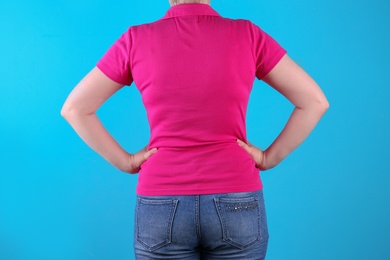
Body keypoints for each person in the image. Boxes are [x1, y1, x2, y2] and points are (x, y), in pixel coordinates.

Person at [61, 0, 329, 259]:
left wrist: (127, 162)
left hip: (161, 202)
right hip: (236, 198)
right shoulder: (247, 34)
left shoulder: (136, 39)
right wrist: (267, 158)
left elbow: (75, 108)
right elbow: (314, 102)